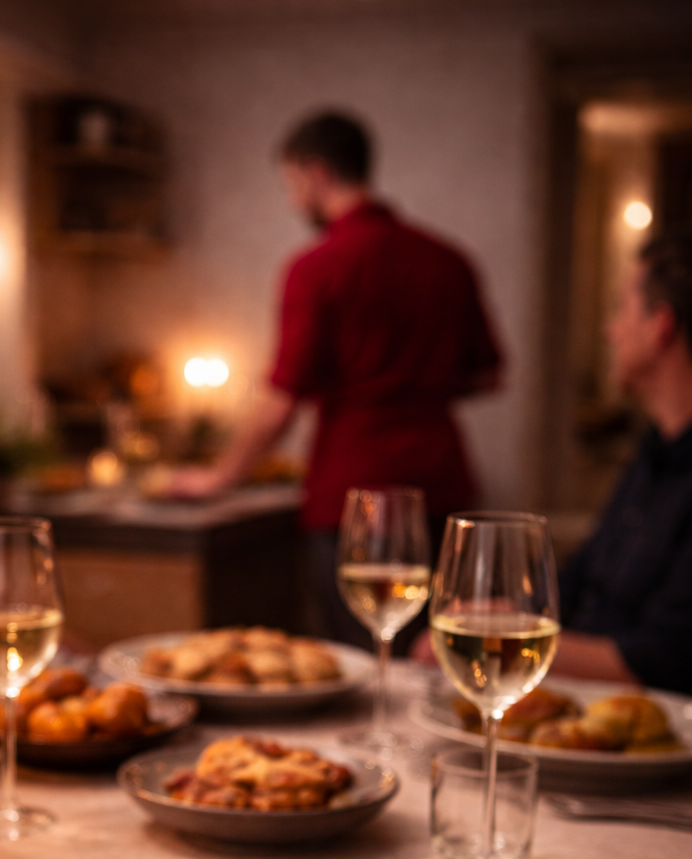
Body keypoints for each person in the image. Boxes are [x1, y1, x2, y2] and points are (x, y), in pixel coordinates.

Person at [171, 110, 504, 643]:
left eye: (290, 185)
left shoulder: (317, 267)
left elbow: (282, 401)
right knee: (439, 657)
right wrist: (419, 384)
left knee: (363, 656)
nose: (291, 200)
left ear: (315, 172)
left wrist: (219, 477)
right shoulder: (449, 260)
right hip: (443, 484)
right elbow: (489, 376)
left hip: (355, 491)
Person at [549, 231, 692, 694]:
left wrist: (498, 641)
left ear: (660, 326)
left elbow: (662, 660)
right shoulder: (655, 449)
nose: (611, 331)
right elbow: (579, 577)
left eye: (621, 309)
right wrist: (508, 607)